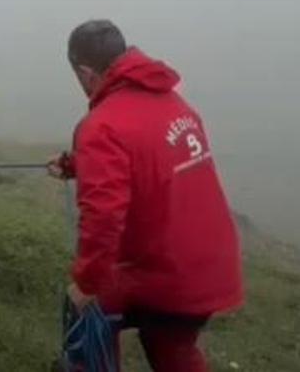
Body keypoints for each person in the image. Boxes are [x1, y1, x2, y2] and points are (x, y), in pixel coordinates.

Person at [51, 20, 243, 372]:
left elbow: (103, 216)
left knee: (83, 306)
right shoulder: (173, 102)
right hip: (211, 264)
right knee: (171, 345)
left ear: (84, 71)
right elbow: (147, 154)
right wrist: (77, 164)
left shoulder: (102, 124)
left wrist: (88, 282)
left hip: (166, 272)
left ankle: (86, 366)